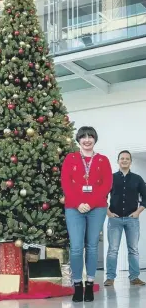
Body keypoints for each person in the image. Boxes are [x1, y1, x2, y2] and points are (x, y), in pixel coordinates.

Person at [61, 126, 113, 303]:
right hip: (74, 208)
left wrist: (90, 203)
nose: (87, 140)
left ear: (95, 139)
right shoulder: (71, 158)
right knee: (76, 247)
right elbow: (66, 183)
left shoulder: (103, 160)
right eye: (83, 137)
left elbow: (106, 185)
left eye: (90, 136)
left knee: (91, 246)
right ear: (79, 140)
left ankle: (89, 284)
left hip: (97, 208)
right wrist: (78, 203)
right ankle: (77, 285)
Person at [104, 150, 146, 287]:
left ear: (130, 161)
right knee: (112, 250)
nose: (124, 160)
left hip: (132, 219)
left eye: (127, 158)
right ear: (118, 161)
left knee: (133, 249)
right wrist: (108, 212)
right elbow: (101, 197)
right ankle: (110, 278)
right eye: (122, 158)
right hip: (114, 219)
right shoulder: (111, 178)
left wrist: (138, 212)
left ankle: (134, 277)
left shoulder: (138, 179)